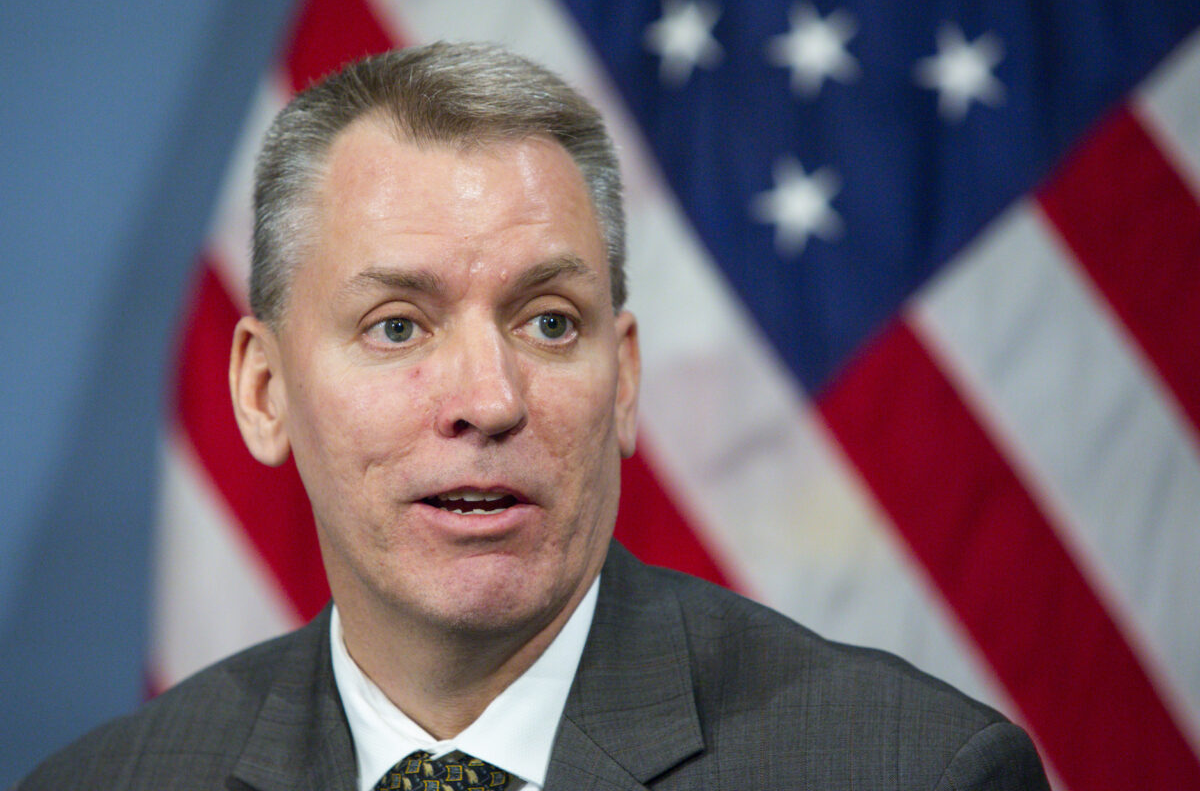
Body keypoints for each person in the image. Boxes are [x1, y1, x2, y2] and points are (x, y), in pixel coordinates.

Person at [18, 42, 1050, 790]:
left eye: (550, 321)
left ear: (626, 379)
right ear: (263, 390)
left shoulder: (911, 769)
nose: (490, 399)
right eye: (397, 326)